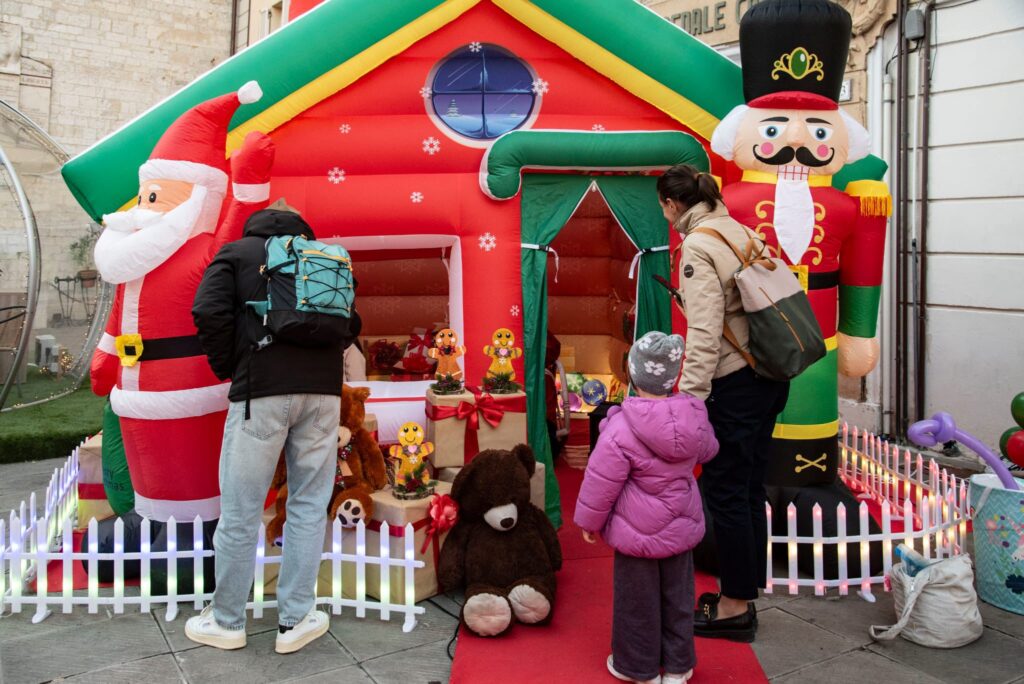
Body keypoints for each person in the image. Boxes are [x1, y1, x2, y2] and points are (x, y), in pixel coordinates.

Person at [186, 208, 359, 654]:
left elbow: (207, 310)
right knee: (307, 503)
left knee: (241, 509)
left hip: (259, 393)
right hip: (323, 395)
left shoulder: (238, 253)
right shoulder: (326, 256)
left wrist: (232, 365)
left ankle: (226, 621)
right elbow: (351, 324)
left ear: (255, 229)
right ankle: (297, 617)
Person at [658, 164, 790, 642]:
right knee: (751, 487)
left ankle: (734, 607)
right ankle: (745, 591)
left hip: (735, 385)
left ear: (672, 205)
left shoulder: (697, 244)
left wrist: (689, 402)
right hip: (769, 378)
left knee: (727, 492)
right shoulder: (740, 232)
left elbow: (705, 332)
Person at [575, 331, 719, 684]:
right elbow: (709, 450)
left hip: (635, 532)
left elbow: (601, 480)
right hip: (681, 527)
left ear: (633, 375)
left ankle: (637, 667)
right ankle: (678, 666)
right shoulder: (694, 416)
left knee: (636, 602)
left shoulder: (620, 427)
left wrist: (588, 521)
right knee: (679, 599)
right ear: (673, 379)